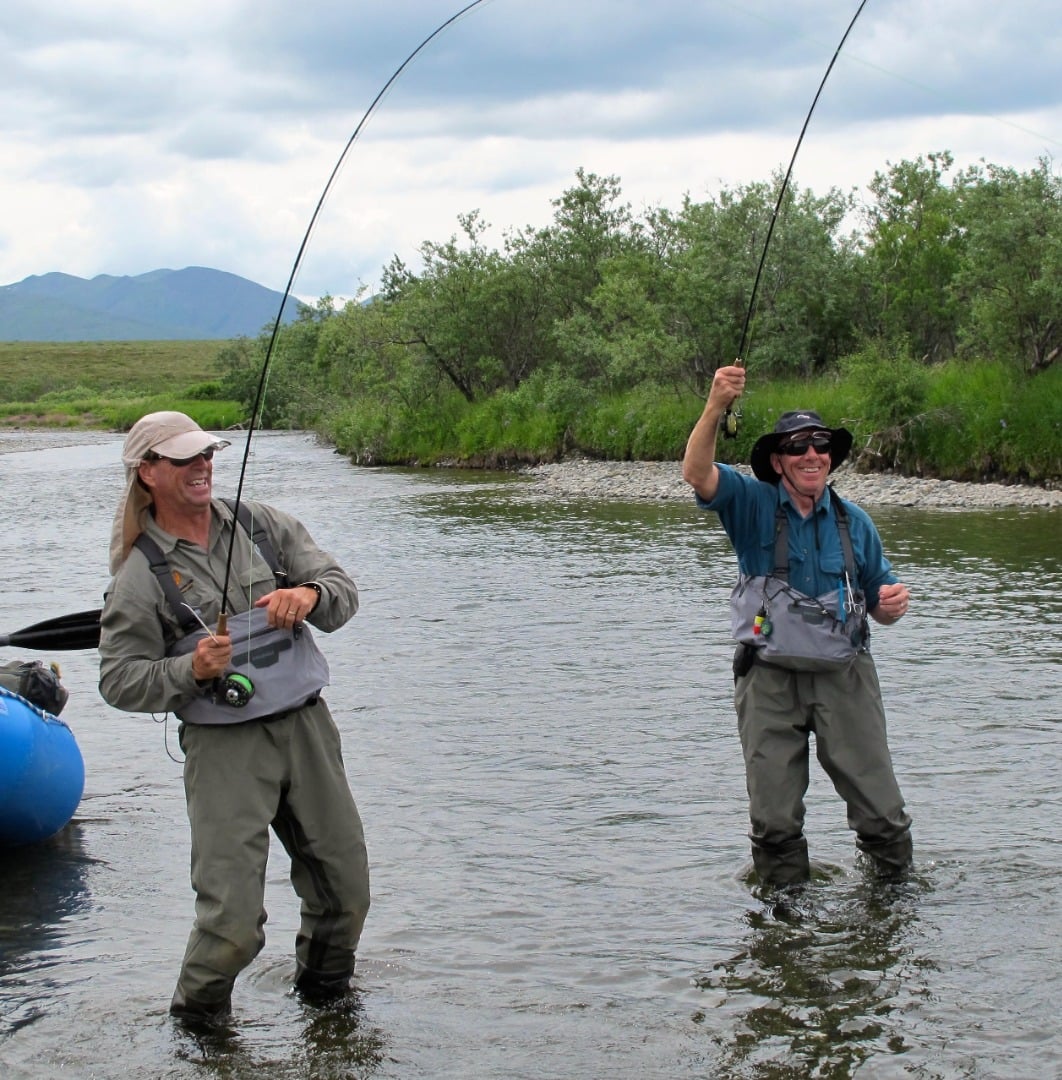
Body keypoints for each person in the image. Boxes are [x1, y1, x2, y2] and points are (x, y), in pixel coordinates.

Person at [98, 411, 370, 1022]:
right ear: (148, 473)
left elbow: (341, 590)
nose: (203, 466)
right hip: (223, 752)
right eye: (184, 458)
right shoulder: (138, 579)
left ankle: (327, 1012)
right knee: (233, 928)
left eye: (206, 454)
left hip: (307, 729)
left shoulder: (264, 526)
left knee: (347, 894)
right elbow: (117, 681)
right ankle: (197, 1033)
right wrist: (189, 670)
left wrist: (312, 596)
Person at [682, 365, 913, 888]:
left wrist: (890, 605)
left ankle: (894, 899)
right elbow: (697, 474)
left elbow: (880, 596)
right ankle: (783, 922)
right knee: (775, 819)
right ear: (778, 461)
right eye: (798, 446)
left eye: (821, 445)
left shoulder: (857, 521)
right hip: (768, 679)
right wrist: (715, 405)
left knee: (881, 811)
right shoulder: (750, 503)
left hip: (845, 677)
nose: (813, 454)